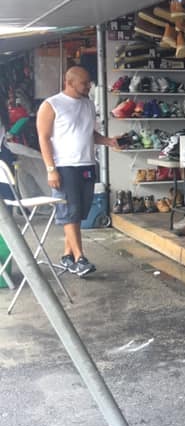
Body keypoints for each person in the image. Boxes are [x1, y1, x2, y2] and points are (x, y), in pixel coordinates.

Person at [36, 66, 117, 277]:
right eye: (84, 83)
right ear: (69, 82)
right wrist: (51, 169)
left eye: (89, 82)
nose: (88, 86)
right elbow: (43, 138)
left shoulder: (89, 104)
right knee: (69, 214)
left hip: (87, 164)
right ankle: (80, 258)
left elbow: (88, 133)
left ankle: (67, 256)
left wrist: (109, 141)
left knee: (79, 213)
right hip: (64, 166)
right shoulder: (51, 105)